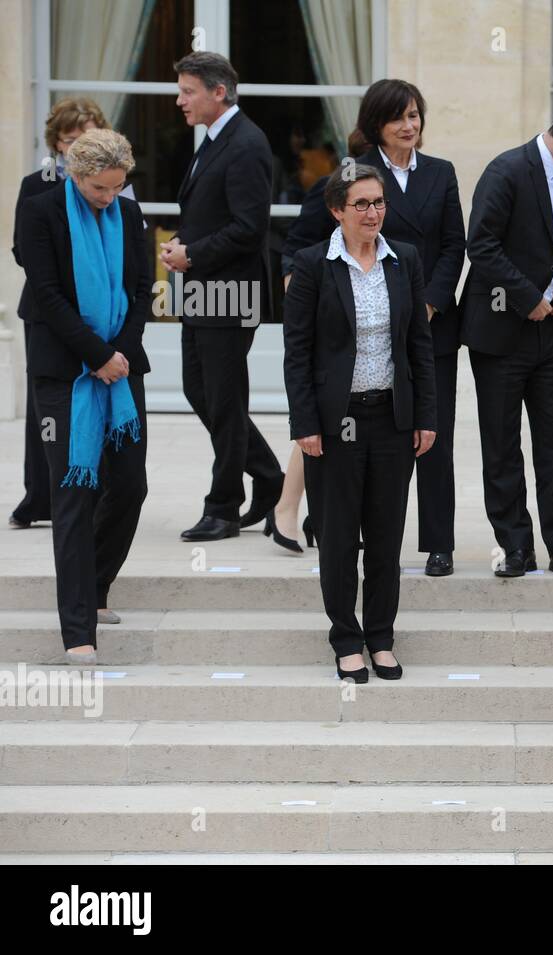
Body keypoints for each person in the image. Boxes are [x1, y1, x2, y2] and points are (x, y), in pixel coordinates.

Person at [279, 80, 465, 575]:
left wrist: (428, 302)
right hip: (360, 331)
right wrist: (303, 290)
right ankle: (339, 528)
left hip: (428, 328)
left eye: (415, 115)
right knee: (353, 438)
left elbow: (454, 245)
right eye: (398, 117)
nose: (409, 125)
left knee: (433, 434)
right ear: (376, 124)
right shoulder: (353, 175)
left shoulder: (441, 172)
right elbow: (302, 242)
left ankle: (439, 542)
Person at [282, 164, 437, 684]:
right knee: (339, 537)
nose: (373, 213)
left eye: (379, 203)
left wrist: (426, 415)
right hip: (335, 423)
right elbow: (297, 351)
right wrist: (304, 422)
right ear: (336, 211)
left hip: (392, 418)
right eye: (362, 204)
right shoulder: (312, 265)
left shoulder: (404, 259)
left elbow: (419, 345)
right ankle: (346, 640)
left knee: (386, 538)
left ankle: (381, 638)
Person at [460, 100, 553, 578]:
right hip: (500, 332)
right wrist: (526, 296)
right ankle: (515, 547)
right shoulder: (505, 171)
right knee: (502, 445)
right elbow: (480, 244)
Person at [17, 129, 151, 665]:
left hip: (121, 367)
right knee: (73, 493)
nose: (109, 197)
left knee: (131, 485)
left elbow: (141, 290)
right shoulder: (41, 210)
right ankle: (77, 627)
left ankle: (94, 586)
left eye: (117, 187)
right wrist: (96, 355)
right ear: (76, 175)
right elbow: (47, 294)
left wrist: (118, 353)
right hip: (64, 371)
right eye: (99, 188)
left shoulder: (129, 213)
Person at [166, 51, 284, 542]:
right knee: (201, 392)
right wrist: (184, 246)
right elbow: (214, 213)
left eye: (187, 91)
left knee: (223, 398)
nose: (179, 101)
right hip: (205, 290)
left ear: (219, 92)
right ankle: (270, 475)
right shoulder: (215, 138)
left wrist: (191, 254)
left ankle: (223, 507)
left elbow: (249, 227)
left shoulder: (247, 143)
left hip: (231, 293)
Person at [11, 98, 118, 532]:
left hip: (101, 312)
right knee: (47, 407)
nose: (78, 148)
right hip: (46, 310)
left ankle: (98, 488)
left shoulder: (113, 185)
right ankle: (40, 495)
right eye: (71, 140)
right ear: (56, 142)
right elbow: (22, 250)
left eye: (87, 138)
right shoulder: (37, 185)